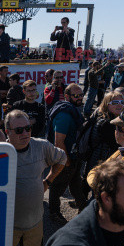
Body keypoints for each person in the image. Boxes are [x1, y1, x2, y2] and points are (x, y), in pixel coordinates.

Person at [0, 110, 67, 246]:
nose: (25, 133)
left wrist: (48, 181)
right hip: (7, 225)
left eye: (28, 128)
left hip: (35, 221)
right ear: (7, 131)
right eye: (19, 130)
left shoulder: (41, 146)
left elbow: (62, 158)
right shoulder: (0, 152)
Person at [47, 84, 87, 224]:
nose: (80, 97)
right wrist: (67, 161)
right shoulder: (64, 114)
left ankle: (83, 207)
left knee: (76, 183)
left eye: (81, 94)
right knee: (57, 186)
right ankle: (54, 212)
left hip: (73, 156)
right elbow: (59, 142)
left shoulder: (72, 110)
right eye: (76, 95)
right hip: (64, 158)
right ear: (67, 96)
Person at [82, 91, 124, 196]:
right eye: (115, 102)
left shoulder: (116, 119)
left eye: (121, 101)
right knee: (99, 192)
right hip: (101, 161)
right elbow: (116, 145)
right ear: (107, 104)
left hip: (103, 160)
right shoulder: (106, 123)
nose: (119, 105)